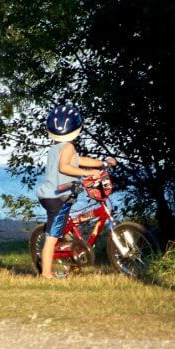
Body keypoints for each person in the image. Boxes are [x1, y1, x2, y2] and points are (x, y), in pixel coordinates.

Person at [36, 103, 116, 279]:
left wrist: (102, 163)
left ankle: (72, 251)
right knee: (52, 236)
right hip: (57, 197)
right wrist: (88, 173)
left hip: (55, 195)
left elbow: (79, 160)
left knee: (63, 225)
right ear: (76, 127)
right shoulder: (68, 147)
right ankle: (46, 274)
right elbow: (65, 167)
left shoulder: (57, 147)